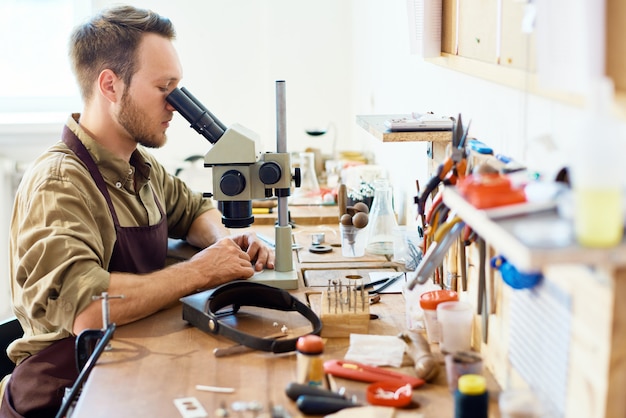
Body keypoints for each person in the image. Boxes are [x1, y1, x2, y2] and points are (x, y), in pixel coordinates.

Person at [0, 5, 275, 417]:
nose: (175, 106)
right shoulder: (59, 182)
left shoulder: (139, 167)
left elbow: (193, 209)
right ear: (110, 85)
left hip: (125, 363)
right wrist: (201, 270)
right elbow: (89, 310)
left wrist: (228, 240)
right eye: (165, 88)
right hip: (66, 390)